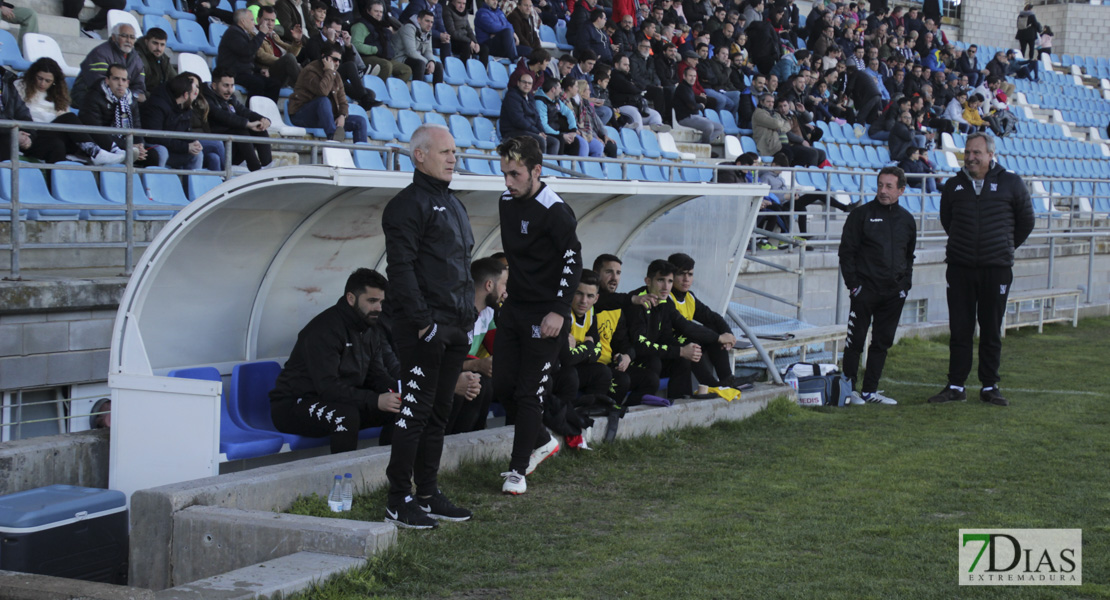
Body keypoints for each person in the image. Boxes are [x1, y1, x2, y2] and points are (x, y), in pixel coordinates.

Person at [382, 124, 476, 529]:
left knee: (439, 413)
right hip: (424, 329)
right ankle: (397, 498)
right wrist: (423, 323)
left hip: (455, 326)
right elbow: (400, 269)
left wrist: (467, 316)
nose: (453, 158)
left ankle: (427, 492)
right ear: (419, 155)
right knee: (415, 414)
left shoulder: (453, 203)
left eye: (455, 152)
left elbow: (460, 267)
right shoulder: (406, 205)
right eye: (445, 152)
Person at [494, 135, 582, 496]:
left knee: (531, 393)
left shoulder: (556, 210)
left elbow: (572, 259)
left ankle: (517, 471)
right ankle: (543, 439)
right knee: (502, 386)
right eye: (504, 174)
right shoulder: (505, 201)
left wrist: (559, 311)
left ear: (536, 171)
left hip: (546, 315)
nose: (508, 182)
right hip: (514, 308)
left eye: (515, 174)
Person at [928, 133, 1034, 407]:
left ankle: (989, 386)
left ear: (990, 155)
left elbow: (1026, 221)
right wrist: (967, 247)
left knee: (990, 329)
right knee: (960, 329)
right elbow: (947, 220)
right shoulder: (954, 185)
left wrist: (1003, 247)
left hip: (996, 268)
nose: (971, 157)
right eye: (968, 152)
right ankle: (955, 386)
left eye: (977, 152)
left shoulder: (1011, 182)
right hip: (960, 268)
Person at [269, 268, 402, 453]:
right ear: (351, 298)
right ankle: (343, 478)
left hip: (339, 400)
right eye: (372, 301)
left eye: (381, 302)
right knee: (345, 416)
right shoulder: (324, 330)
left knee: (400, 409)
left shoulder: (370, 330)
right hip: (294, 405)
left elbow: (377, 375)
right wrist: (375, 399)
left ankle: (391, 472)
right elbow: (328, 387)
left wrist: (399, 392)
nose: (379, 308)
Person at [838, 167, 917, 405]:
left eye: (889, 186)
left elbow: (909, 256)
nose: (883, 191)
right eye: (880, 185)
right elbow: (846, 253)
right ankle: (848, 391)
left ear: (901, 190)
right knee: (855, 341)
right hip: (865, 292)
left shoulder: (907, 220)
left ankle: (870, 391)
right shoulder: (860, 215)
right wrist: (854, 286)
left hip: (894, 294)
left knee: (882, 342)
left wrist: (905, 286)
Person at [14, 58, 123, 165]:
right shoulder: (20, 86)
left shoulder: (58, 95)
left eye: (48, 81)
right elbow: (17, 111)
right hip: (32, 133)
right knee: (68, 121)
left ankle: (113, 150)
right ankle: (98, 152)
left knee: (79, 123)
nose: (42, 83)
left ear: (54, 82)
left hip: (54, 132)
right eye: (39, 78)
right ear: (33, 75)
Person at [665, 253, 741, 397]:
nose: (686, 279)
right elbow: (685, 327)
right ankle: (712, 385)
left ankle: (727, 379)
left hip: (684, 343)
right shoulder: (666, 298)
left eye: (690, 274)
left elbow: (713, 317)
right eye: (681, 274)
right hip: (668, 348)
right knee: (691, 341)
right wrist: (719, 337)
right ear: (671, 275)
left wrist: (727, 334)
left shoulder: (689, 296)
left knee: (712, 328)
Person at [447, 257, 507, 434]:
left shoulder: (488, 312)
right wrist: (475, 364)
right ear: (489, 285)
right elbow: (442, 359)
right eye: (504, 285)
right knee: (478, 383)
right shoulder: (455, 311)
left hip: (467, 369)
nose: (506, 292)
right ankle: (456, 441)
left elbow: (499, 347)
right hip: (446, 373)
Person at [287, 43, 369, 142]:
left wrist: (342, 115)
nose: (337, 63)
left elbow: (343, 101)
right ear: (324, 58)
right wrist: (329, 72)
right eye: (334, 59)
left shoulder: (336, 75)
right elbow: (323, 91)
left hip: (326, 118)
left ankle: (361, 154)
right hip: (301, 115)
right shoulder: (310, 71)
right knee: (323, 100)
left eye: (339, 60)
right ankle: (333, 137)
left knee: (360, 121)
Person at [204, 66, 274, 171]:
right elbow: (223, 116)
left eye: (232, 86)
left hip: (233, 147)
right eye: (226, 86)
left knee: (260, 128)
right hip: (220, 149)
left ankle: (268, 168)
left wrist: (263, 119)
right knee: (240, 130)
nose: (229, 90)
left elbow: (244, 111)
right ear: (214, 85)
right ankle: (256, 170)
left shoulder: (230, 97)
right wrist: (248, 124)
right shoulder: (206, 99)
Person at [71, 23, 147, 108]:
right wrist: (131, 96)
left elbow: (139, 89)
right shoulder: (100, 53)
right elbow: (101, 86)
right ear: (114, 37)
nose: (128, 40)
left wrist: (130, 96)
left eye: (132, 37)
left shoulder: (137, 58)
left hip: (121, 100)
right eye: (124, 36)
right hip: (88, 97)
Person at [140, 73, 206, 171]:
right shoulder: (157, 104)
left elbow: (184, 131)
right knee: (162, 151)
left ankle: (190, 185)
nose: (196, 95)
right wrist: (186, 147)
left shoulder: (184, 106)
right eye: (193, 92)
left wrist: (193, 141)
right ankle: (156, 183)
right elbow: (154, 137)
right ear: (185, 94)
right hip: (150, 146)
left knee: (197, 154)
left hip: (171, 146)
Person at [218, 9, 282, 101]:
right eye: (252, 20)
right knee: (258, 83)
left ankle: (268, 111)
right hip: (233, 73)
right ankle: (253, 112)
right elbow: (247, 51)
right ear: (243, 21)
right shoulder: (233, 33)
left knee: (274, 83)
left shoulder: (242, 33)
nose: (254, 23)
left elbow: (247, 59)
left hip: (244, 72)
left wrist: (260, 70)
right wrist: (262, 34)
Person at [351, 1, 413, 82]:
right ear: (368, 11)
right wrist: (375, 49)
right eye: (376, 11)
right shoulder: (360, 25)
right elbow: (356, 45)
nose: (379, 14)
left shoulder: (382, 25)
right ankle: (377, 89)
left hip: (382, 56)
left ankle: (392, 92)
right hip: (366, 57)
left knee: (406, 70)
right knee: (386, 65)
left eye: (381, 12)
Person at [499, 73, 557, 154]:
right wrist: (537, 132)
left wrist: (542, 132)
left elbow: (537, 117)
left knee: (554, 142)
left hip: (528, 131)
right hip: (513, 132)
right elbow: (519, 121)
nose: (527, 85)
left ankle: (551, 165)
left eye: (529, 83)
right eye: (524, 82)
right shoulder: (512, 96)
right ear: (518, 83)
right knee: (540, 140)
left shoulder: (530, 97)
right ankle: (541, 165)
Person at [255, 5, 303, 88]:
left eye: (272, 21)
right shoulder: (254, 35)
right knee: (289, 59)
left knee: (310, 67)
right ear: (258, 20)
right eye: (266, 20)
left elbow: (292, 53)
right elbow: (260, 56)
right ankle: (306, 89)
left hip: (283, 71)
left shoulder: (273, 35)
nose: (270, 24)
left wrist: (296, 41)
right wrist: (283, 61)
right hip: (268, 72)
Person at [393, 10, 444, 84]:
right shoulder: (409, 28)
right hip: (400, 58)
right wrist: (427, 62)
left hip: (415, 59)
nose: (430, 24)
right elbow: (411, 52)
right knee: (420, 64)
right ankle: (418, 90)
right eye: (427, 21)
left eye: (432, 22)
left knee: (438, 66)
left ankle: (438, 93)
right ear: (419, 20)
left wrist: (431, 61)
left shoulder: (428, 31)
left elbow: (428, 51)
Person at [674, 65, 722, 144]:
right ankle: (705, 146)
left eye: (694, 76)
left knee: (719, 128)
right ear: (684, 76)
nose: (693, 78)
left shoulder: (689, 87)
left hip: (695, 116)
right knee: (709, 127)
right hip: (685, 118)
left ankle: (701, 143)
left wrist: (701, 99)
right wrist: (701, 105)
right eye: (690, 76)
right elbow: (692, 106)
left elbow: (693, 99)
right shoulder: (682, 88)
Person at [135, 29, 177, 94]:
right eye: (155, 43)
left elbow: (175, 79)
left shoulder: (163, 57)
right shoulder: (138, 56)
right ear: (146, 42)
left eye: (162, 45)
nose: (159, 48)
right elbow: (138, 87)